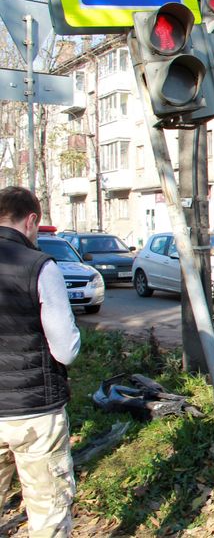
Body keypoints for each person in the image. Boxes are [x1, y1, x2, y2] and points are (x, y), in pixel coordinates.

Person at [0, 186, 81, 537]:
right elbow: (65, 349)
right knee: (48, 512)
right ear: (31, 220)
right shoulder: (39, 266)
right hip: (34, 412)